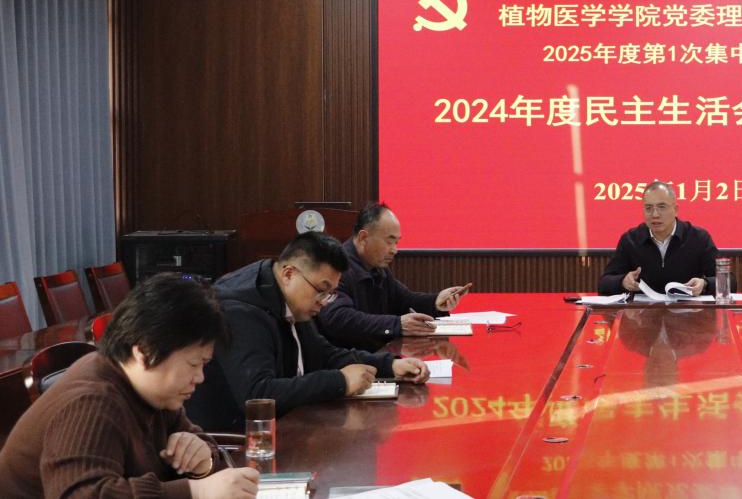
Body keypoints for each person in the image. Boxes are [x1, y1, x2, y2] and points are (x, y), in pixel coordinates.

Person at [0, 273, 260, 498]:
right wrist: (194, 491)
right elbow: (81, 494)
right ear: (145, 351)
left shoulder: (153, 391)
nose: (200, 377)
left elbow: (194, 441)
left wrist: (203, 461)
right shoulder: (92, 401)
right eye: (193, 364)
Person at [186, 231, 430, 431]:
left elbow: (323, 354)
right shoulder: (241, 310)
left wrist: (390, 365)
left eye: (331, 293)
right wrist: (340, 381)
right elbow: (258, 395)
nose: (324, 302)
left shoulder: (291, 298)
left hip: (286, 427)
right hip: (236, 444)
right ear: (289, 274)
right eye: (321, 290)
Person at [316, 203, 471, 350]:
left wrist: (435, 302)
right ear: (363, 238)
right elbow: (337, 318)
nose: (394, 250)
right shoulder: (337, 266)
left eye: (396, 242)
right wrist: (396, 325)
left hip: (376, 354)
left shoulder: (376, 267)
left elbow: (405, 300)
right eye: (389, 242)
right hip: (348, 360)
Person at [597, 181, 730, 296]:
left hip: (688, 314)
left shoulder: (698, 238)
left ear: (675, 209)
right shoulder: (630, 240)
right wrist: (622, 282)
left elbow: (729, 282)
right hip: (642, 315)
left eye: (662, 207)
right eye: (649, 208)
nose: (655, 214)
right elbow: (604, 284)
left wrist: (705, 284)